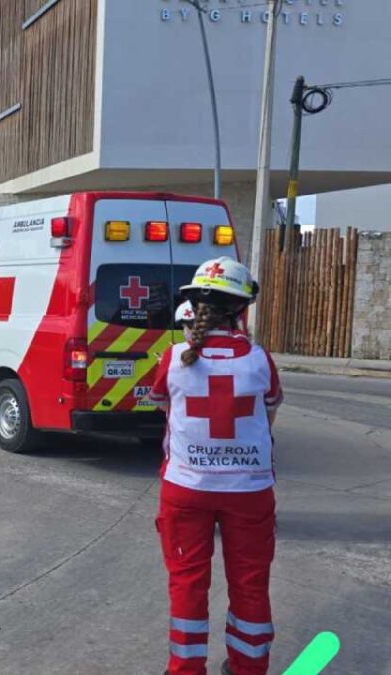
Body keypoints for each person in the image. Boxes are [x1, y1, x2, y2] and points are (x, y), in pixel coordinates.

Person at [148, 257, 281, 675]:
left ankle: (185, 670)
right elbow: (270, 412)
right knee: (250, 582)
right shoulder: (260, 359)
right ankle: (249, 667)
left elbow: (163, 408)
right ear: (240, 310)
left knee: (187, 580)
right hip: (250, 491)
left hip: (187, 487)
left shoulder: (174, 358)